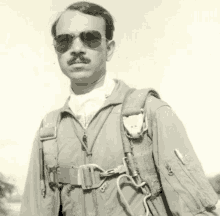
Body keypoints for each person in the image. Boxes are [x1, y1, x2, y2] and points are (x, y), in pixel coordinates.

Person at [19, 1, 219, 216]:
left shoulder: (149, 112)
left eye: (90, 38)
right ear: (57, 51)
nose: (76, 48)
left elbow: (196, 210)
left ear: (109, 49)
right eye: (64, 41)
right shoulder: (49, 131)